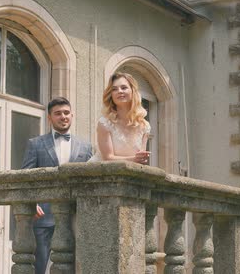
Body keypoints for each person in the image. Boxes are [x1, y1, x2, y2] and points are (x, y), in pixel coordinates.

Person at [21, 97, 92, 274]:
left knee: (76, 267)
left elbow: (91, 182)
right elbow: (25, 178)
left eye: (66, 113)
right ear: (49, 118)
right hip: (43, 216)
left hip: (76, 216)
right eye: (58, 113)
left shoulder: (86, 146)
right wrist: (31, 204)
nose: (63, 117)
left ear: (72, 115)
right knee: (39, 266)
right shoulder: (35, 144)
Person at [91, 72, 151, 164]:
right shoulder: (104, 123)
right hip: (101, 174)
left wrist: (141, 159)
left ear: (132, 91)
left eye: (124, 88)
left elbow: (140, 160)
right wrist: (134, 159)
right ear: (111, 95)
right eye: (114, 89)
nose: (119, 91)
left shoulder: (145, 126)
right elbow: (107, 158)